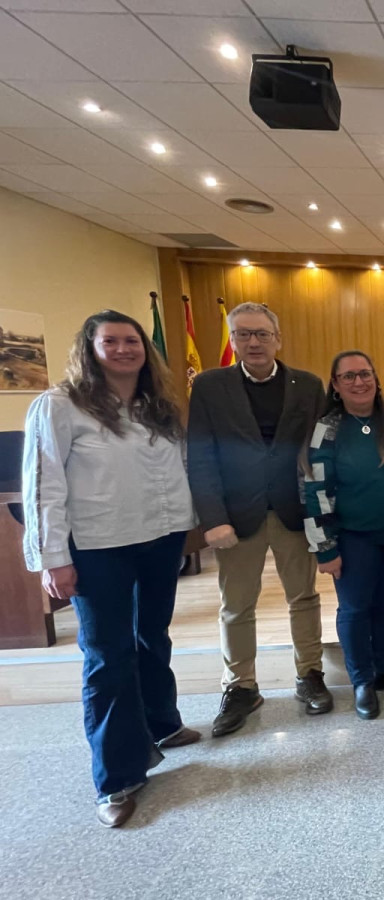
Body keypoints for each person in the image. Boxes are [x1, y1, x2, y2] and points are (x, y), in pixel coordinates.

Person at [22, 310, 198, 828]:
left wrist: (189, 530)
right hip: (98, 548)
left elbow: (176, 471)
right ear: (90, 349)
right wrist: (52, 558)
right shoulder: (60, 405)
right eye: (111, 341)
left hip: (160, 539)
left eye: (132, 341)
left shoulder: (156, 407)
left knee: (152, 637)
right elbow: (43, 485)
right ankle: (116, 777)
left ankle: (162, 724)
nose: (124, 349)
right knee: (107, 656)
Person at [187, 301, 331, 737]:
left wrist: (323, 511)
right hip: (236, 514)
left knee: (303, 597)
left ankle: (309, 674)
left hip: (293, 509)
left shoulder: (307, 385)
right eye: (244, 334)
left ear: (277, 339)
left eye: (262, 334)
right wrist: (212, 518)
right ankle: (241, 686)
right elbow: (200, 456)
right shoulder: (210, 386)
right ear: (232, 340)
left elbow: (321, 450)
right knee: (236, 605)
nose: (254, 342)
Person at [303, 351, 384, 722]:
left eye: (365, 374)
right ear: (336, 385)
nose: (359, 382)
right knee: (355, 608)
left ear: (376, 378)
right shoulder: (328, 428)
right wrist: (324, 547)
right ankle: (362, 680)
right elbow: (315, 488)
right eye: (349, 376)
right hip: (353, 537)